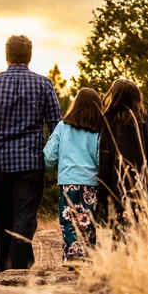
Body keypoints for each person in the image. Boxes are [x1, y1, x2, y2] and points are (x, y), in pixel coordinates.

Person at [0, 35, 63, 273]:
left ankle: (2, 268)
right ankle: (19, 267)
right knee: (25, 215)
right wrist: (60, 156)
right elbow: (57, 125)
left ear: (7, 55)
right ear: (29, 57)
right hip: (31, 162)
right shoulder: (44, 84)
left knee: (3, 216)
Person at [98, 79, 148, 238]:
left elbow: (104, 161)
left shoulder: (108, 122)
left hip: (118, 195)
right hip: (145, 194)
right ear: (136, 97)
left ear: (114, 96)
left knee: (121, 240)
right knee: (142, 244)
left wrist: (103, 197)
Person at [43, 88, 102, 264]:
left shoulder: (63, 126)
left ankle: (73, 256)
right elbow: (100, 158)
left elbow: (49, 156)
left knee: (68, 221)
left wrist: (52, 167)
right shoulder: (98, 130)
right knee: (88, 222)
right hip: (90, 182)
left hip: (68, 181)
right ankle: (87, 257)